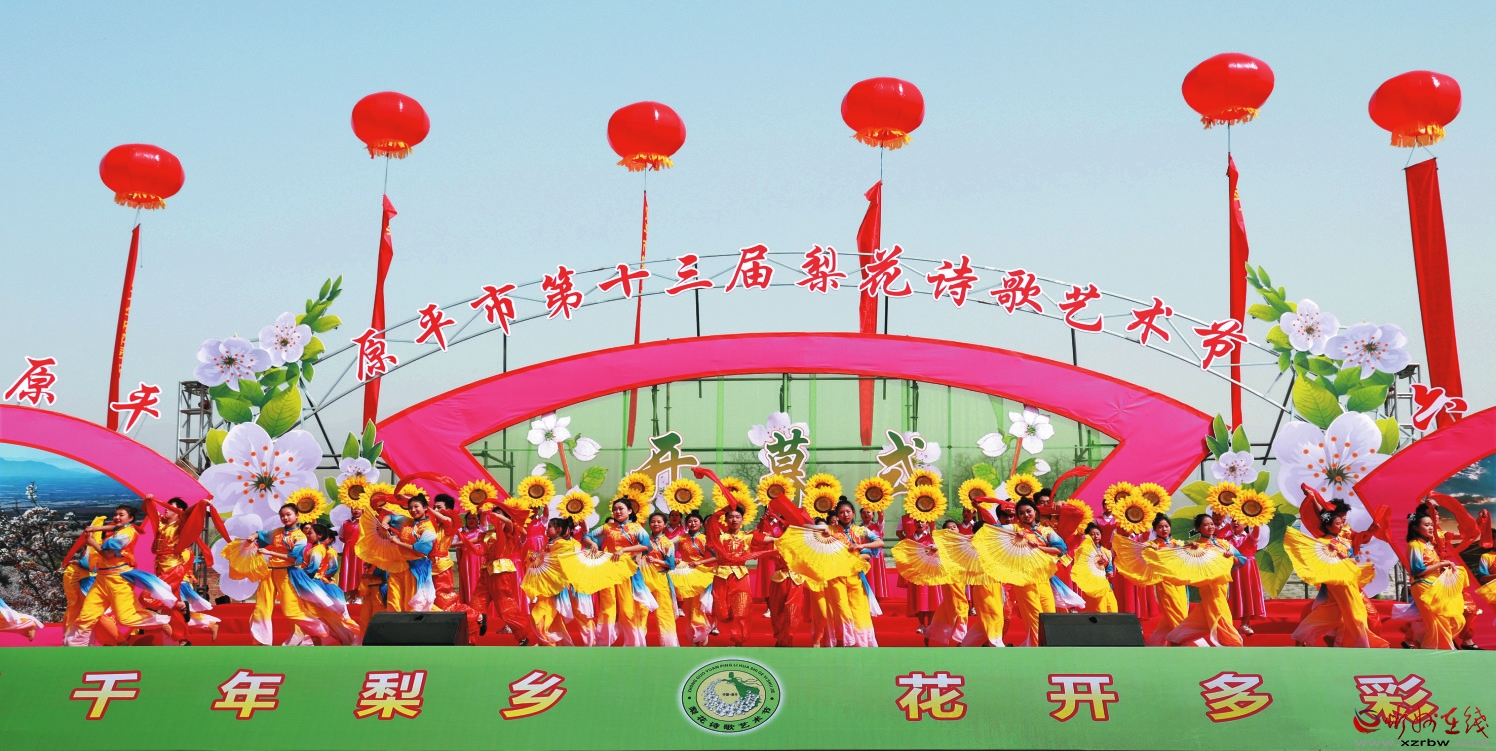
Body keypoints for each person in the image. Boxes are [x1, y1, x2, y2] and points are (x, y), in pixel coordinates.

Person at [65, 506, 176, 646]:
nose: (117, 517)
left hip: (118, 581)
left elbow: (108, 555)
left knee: (125, 618)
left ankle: (160, 621)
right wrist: (95, 528)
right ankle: (76, 646)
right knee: (86, 616)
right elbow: (114, 527)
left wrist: (92, 543)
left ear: (130, 518)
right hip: (102, 580)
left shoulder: (126, 534)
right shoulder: (120, 530)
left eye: (121, 515)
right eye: (116, 514)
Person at [1286, 501, 1387, 648]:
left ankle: (1301, 636)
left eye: (1342, 520)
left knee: (1330, 614)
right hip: (1340, 583)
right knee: (1356, 613)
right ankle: (1364, 645)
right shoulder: (1324, 543)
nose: (1342, 524)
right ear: (1328, 525)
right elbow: (1330, 562)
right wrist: (1345, 559)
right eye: (1338, 522)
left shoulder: (1343, 538)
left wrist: (1371, 531)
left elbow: (1355, 554)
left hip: (1349, 579)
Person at [142, 496, 227, 644]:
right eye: (166, 507)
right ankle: (181, 640)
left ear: (178, 511)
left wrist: (200, 503)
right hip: (161, 569)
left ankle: (183, 612)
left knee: (147, 596)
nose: (166, 510)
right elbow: (149, 511)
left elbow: (188, 513)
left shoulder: (180, 525)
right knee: (169, 607)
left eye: (170, 508)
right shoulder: (162, 523)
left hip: (173, 570)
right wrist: (148, 501)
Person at [1165, 514, 1246, 647]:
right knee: (1222, 617)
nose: (1210, 527)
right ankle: (1234, 645)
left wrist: (1231, 557)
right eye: (1206, 525)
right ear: (1198, 528)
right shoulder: (1196, 546)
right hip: (1209, 590)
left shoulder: (1223, 543)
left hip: (1222, 588)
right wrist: (1188, 548)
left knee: (1194, 623)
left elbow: (1241, 560)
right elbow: (1177, 556)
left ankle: (1177, 639)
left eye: (1212, 524)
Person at [583, 499, 653, 646]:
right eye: (615, 509)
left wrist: (624, 550)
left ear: (630, 511)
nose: (617, 511)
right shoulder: (607, 527)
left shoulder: (636, 528)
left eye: (621, 508)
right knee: (607, 608)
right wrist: (593, 543)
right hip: (608, 571)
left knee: (627, 609)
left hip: (627, 572)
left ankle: (633, 645)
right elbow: (586, 537)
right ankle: (603, 644)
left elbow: (647, 546)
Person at [1005, 499, 1065, 646]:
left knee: (1049, 615)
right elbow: (991, 529)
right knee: (1034, 617)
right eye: (1021, 513)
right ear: (1017, 516)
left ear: (1035, 512)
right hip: (1024, 579)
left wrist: (1039, 547)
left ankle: (1048, 648)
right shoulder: (1014, 529)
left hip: (1043, 577)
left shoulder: (1046, 530)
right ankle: (1038, 651)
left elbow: (1060, 550)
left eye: (1028, 511)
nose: (1026, 515)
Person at [1406, 510, 1468, 650]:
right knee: (1438, 623)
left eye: (1431, 525)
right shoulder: (1414, 545)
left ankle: (1427, 643)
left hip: (1436, 586)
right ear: (1415, 527)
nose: (1430, 528)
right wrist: (1441, 564)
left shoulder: (1429, 544)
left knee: (1457, 620)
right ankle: (1437, 652)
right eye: (1426, 525)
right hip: (1422, 586)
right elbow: (1417, 571)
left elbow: (1465, 536)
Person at [825, 500, 882, 647]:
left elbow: (879, 542)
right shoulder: (830, 530)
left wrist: (861, 545)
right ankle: (845, 641)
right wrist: (822, 531)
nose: (845, 515)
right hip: (836, 576)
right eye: (841, 512)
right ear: (837, 515)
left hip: (855, 576)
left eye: (848, 511)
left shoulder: (860, 531)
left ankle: (861, 643)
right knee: (842, 609)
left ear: (853, 513)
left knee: (859, 610)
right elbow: (808, 527)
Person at [427, 494, 486, 636]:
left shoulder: (450, 521)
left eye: (439, 507)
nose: (435, 510)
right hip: (427, 567)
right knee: (428, 600)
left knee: (446, 601)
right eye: (434, 507)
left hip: (442, 568)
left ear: (448, 510)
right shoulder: (431, 524)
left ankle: (477, 616)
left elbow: (444, 519)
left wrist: (426, 507)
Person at [698, 504, 755, 647]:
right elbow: (711, 522)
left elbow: (772, 540)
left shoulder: (748, 536)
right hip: (721, 576)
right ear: (726, 519)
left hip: (740, 576)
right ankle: (725, 626)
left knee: (741, 609)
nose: (734, 520)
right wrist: (726, 508)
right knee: (721, 612)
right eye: (730, 517)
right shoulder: (718, 537)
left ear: (742, 519)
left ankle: (739, 641)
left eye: (737, 517)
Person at [478, 504, 534, 645]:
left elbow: (509, 522)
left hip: (503, 570)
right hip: (487, 570)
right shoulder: (489, 533)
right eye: (494, 514)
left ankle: (521, 634)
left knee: (505, 603)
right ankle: (475, 627)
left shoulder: (510, 529)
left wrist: (494, 514)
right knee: (478, 599)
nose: (496, 516)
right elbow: (481, 529)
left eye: (499, 514)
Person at [1217, 513, 1268, 636]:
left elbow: (1256, 532)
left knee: (1247, 595)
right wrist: (1227, 525)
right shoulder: (1227, 540)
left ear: (1245, 524)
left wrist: (1255, 518)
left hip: (1248, 570)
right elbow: (1218, 537)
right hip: (1232, 569)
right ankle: (1228, 625)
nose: (1235, 523)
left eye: (1238, 520)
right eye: (1233, 520)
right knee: (1231, 595)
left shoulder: (1250, 537)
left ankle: (1245, 624)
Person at [674, 512, 718, 646]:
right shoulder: (680, 538)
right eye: (690, 521)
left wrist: (699, 562)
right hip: (685, 574)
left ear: (701, 524)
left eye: (695, 521)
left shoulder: (705, 539)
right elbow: (668, 550)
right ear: (686, 524)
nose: (692, 523)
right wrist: (674, 559)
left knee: (697, 606)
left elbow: (716, 557)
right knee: (688, 607)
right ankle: (695, 636)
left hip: (701, 574)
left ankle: (701, 635)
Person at [1145, 514, 1186, 647]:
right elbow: (1144, 555)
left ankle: (1167, 643)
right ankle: (1185, 641)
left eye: (1166, 526)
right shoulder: (1152, 545)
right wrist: (1150, 551)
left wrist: (1190, 547)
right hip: (1165, 583)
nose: (1164, 529)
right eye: (1160, 527)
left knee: (1181, 611)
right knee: (1174, 612)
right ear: (1155, 530)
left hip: (1179, 583)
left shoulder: (1177, 543)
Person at [642, 512, 681, 646]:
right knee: (641, 612)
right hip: (644, 579)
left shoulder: (667, 543)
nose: (655, 524)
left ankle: (669, 646)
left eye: (659, 522)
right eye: (653, 521)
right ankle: (637, 644)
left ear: (665, 525)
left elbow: (670, 564)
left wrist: (656, 561)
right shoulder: (644, 541)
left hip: (661, 578)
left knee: (664, 613)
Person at [1073, 522, 1117, 613]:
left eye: (1098, 534)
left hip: (1106, 585)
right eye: (1092, 534)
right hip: (1093, 586)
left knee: (1113, 609)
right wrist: (1095, 563)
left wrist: (1109, 570)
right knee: (1100, 610)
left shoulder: (1106, 551)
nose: (1095, 536)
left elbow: (1109, 570)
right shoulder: (1083, 551)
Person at [861, 507, 889, 599]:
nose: (866, 514)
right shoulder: (858, 528)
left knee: (876, 576)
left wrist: (877, 504)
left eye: (868, 512)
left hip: (876, 556)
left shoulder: (878, 525)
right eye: (863, 512)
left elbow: (881, 516)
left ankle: (877, 596)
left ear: (873, 515)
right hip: (865, 555)